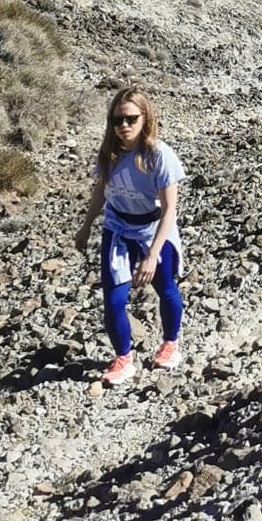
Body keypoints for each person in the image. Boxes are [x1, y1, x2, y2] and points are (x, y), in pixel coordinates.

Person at [76, 86, 185, 387]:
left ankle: (171, 344)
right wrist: (86, 226)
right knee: (114, 300)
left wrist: (152, 254)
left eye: (130, 119)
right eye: (116, 120)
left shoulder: (159, 156)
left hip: (152, 229)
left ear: (145, 118)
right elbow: (100, 190)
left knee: (165, 287)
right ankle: (124, 358)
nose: (123, 126)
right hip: (117, 228)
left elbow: (169, 210)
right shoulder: (109, 153)